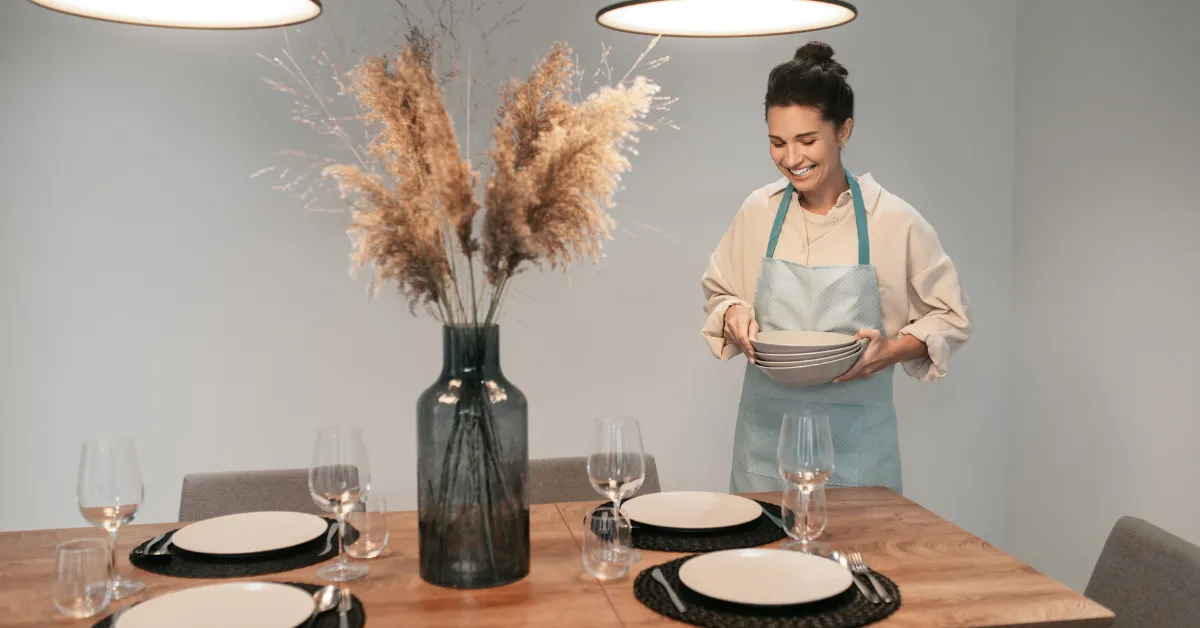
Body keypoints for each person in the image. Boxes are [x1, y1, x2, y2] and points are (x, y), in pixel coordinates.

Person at [701, 42, 972, 494]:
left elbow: (951, 317)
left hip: (858, 452)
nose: (791, 158)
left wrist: (889, 350)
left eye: (807, 141)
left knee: (860, 565)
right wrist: (733, 314)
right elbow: (720, 290)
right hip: (765, 445)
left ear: (843, 131)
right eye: (777, 142)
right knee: (763, 563)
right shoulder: (758, 212)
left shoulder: (893, 220)